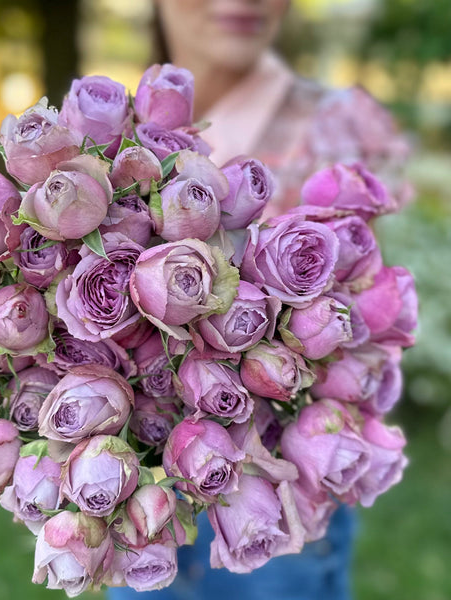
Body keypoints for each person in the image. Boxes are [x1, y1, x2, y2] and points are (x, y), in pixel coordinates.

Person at [108, 1, 410, 598]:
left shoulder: (342, 124)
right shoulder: (107, 130)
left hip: (282, 499)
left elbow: (363, 310)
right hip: (138, 492)